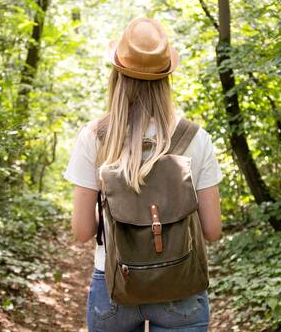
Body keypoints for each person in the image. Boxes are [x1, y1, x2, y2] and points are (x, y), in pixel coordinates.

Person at [64, 17, 223, 332]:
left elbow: (82, 231)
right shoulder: (196, 138)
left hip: (115, 285)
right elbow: (212, 230)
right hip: (181, 284)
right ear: (166, 79)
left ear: (117, 75)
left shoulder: (94, 138)